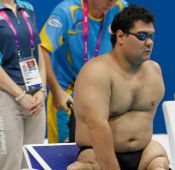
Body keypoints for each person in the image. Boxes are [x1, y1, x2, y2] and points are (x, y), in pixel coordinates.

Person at [67, 5, 175, 170]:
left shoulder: (154, 71)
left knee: (157, 152)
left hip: (141, 154)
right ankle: (92, 168)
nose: (149, 42)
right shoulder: (97, 72)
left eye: (152, 36)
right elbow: (96, 124)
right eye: (142, 36)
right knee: (91, 162)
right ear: (120, 36)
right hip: (98, 154)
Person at [40, 0, 128, 143]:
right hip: (67, 96)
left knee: (101, 153)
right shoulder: (67, 11)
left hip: (103, 94)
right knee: (62, 158)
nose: (111, 2)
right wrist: (56, 92)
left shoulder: (120, 8)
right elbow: (42, 50)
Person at [0, 0, 46, 170]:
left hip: (34, 94)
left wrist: (42, 90)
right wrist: (20, 96)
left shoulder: (27, 8)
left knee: (31, 162)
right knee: (8, 164)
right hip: (6, 94)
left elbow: (38, 51)